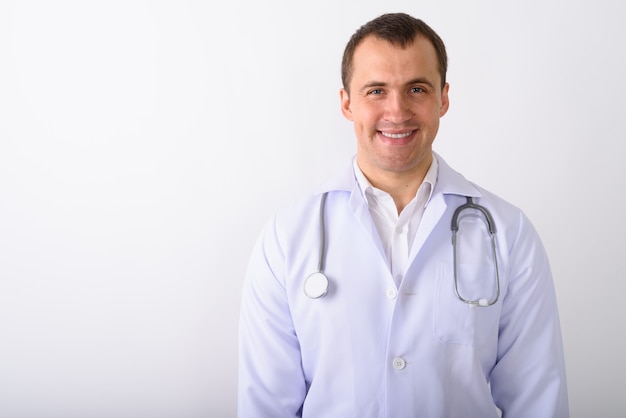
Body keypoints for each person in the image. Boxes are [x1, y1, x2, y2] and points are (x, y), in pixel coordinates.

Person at [238, 12, 569, 418]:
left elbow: (537, 400)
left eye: (417, 88)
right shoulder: (286, 238)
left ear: (443, 98)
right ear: (346, 103)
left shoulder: (509, 233)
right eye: (376, 90)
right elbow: (266, 407)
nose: (397, 111)